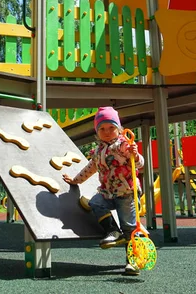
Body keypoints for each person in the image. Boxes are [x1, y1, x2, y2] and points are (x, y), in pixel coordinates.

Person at [62, 106, 144, 276]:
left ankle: (133, 262)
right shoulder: (98, 150)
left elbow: (139, 163)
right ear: (97, 131)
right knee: (95, 202)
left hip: (126, 193)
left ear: (119, 129)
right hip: (107, 193)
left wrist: (135, 155)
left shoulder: (122, 144)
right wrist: (75, 180)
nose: (107, 132)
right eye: (102, 129)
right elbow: (90, 168)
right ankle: (112, 230)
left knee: (129, 227)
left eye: (111, 128)